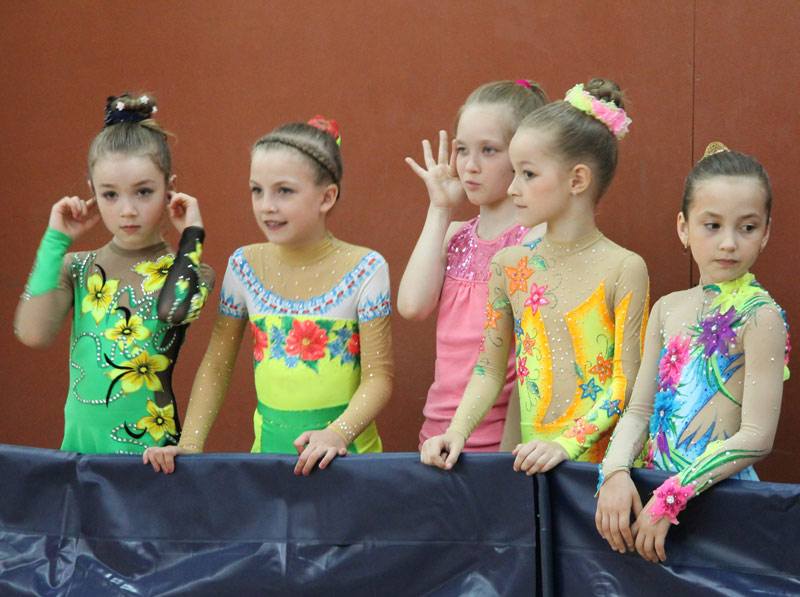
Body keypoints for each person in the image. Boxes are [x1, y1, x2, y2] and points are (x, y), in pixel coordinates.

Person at [421, 79, 649, 475]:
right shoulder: (510, 266)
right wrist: (457, 431)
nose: (512, 188)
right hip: (530, 464)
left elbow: (625, 383)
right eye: (514, 172)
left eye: (527, 174)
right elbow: (489, 370)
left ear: (577, 180)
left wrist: (565, 445)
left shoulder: (624, 268)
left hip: (598, 470)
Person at [144, 117, 393, 475]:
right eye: (256, 190)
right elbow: (217, 364)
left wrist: (337, 433)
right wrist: (191, 443)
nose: (266, 206)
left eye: (284, 191)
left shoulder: (366, 268)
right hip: (270, 464)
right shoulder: (244, 265)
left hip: (347, 462)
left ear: (327, 197)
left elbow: (379, 377)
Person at [595, 142, 789, 563]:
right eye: (712, 225)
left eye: (747, 227)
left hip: (720, 501)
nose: (729, 243)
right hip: (652, 492)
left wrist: (674, 494)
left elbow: (757, 437)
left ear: (766, 232)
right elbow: (640, 411)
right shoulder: (666, 309)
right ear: (684, 228)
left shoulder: (761, 317)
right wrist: (614, 471)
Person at [14, 93, 213, 454]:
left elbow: (173, 310)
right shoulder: (76, 267)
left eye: (144, 192)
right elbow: (32, 333)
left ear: (170, 189)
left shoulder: (192, 271)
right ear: (92, 191)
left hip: (153, 454)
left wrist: (192, 236)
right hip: (80, 452)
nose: (127, 210)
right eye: (110, 195)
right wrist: (55, 241)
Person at [399, 80, 548, 452]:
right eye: (462, 150)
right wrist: (440, 209)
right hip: (437, 436)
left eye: (488, 150)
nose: (470, 165)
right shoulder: (453, 234)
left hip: (499, 443)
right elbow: (412, 306)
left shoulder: (535, 240)